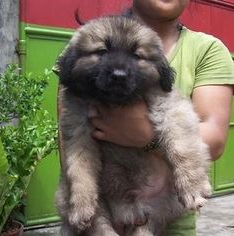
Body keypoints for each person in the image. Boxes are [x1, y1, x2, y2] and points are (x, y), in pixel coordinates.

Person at [87, 0, 234, 235]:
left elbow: (214, 141)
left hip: (166, 219)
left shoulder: (207, 49)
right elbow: (72, 138)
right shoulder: (90, 40)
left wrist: (146, 136)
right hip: (103, 207)